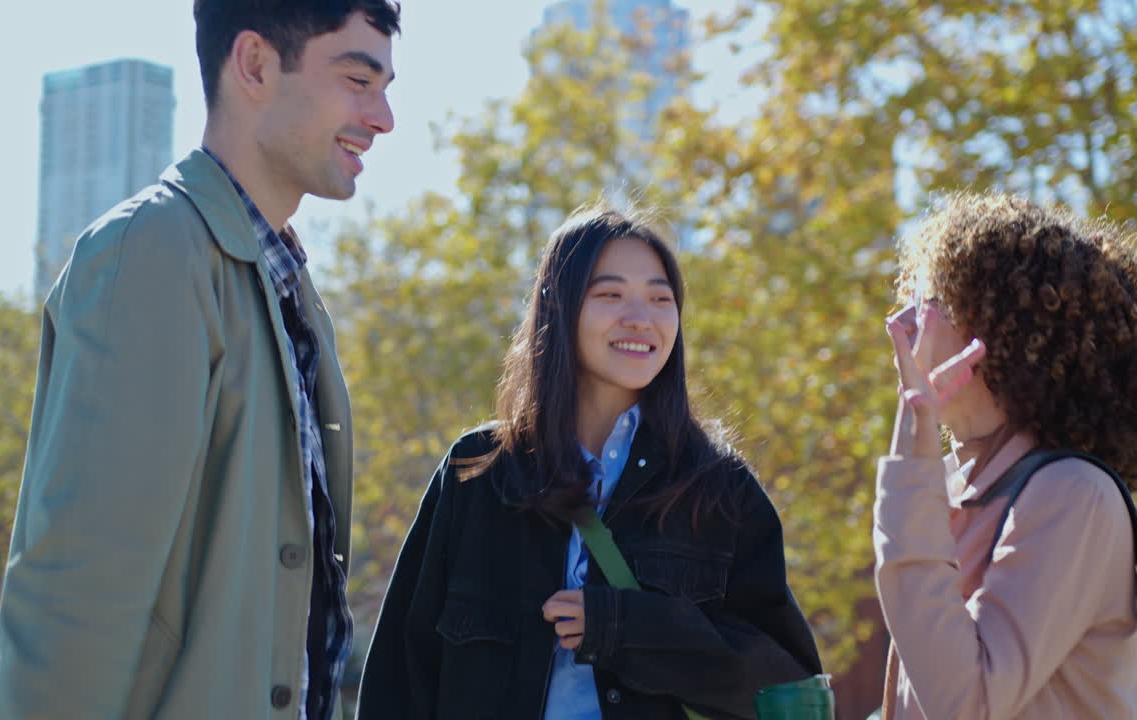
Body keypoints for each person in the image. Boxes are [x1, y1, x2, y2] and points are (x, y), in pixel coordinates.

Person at [0, 2, 399, 718]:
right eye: (359, 78)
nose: (383, 116)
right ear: (256, 65)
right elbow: (79, 590)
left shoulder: (285, 285)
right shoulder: (154, 251)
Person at [357, 206, 822, 719]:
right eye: (610, 294)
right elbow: (399, 679)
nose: (640, 318)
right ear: (559, 308)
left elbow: (787, 683)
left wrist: (630, 628)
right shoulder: (479, 471)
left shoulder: (719, 489)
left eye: (660, 298)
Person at [877, 191, 1137, 719]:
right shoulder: (954, 486)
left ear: (1000, 336)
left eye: (931, 304)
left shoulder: (1072, 495)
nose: (900, 321)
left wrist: (913, 442)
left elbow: (964, 703)